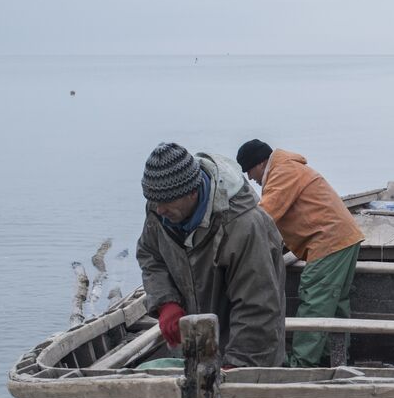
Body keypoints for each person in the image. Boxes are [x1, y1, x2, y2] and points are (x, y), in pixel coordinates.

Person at [136, 142, 286, 367]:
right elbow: (150, 255)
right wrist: (166, 302)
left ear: (192, 192)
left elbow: (258, 308)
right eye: (154, 201)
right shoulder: (160, 211)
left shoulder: (244, 225)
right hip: (200, 348)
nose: (159, 210)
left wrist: (236, 366)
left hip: (250, 355)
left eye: (166, 202)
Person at [236, 139, 365, 367]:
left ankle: (302, 363)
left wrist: (235, 241)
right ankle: (333, 357)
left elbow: (264, 217)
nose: (249, 178)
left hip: (329, 242)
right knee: (335, 303)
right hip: (345, 239)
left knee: (315, 298)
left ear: (262, 162)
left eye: (249, 170)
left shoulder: (282, 172)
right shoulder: (288, 168)